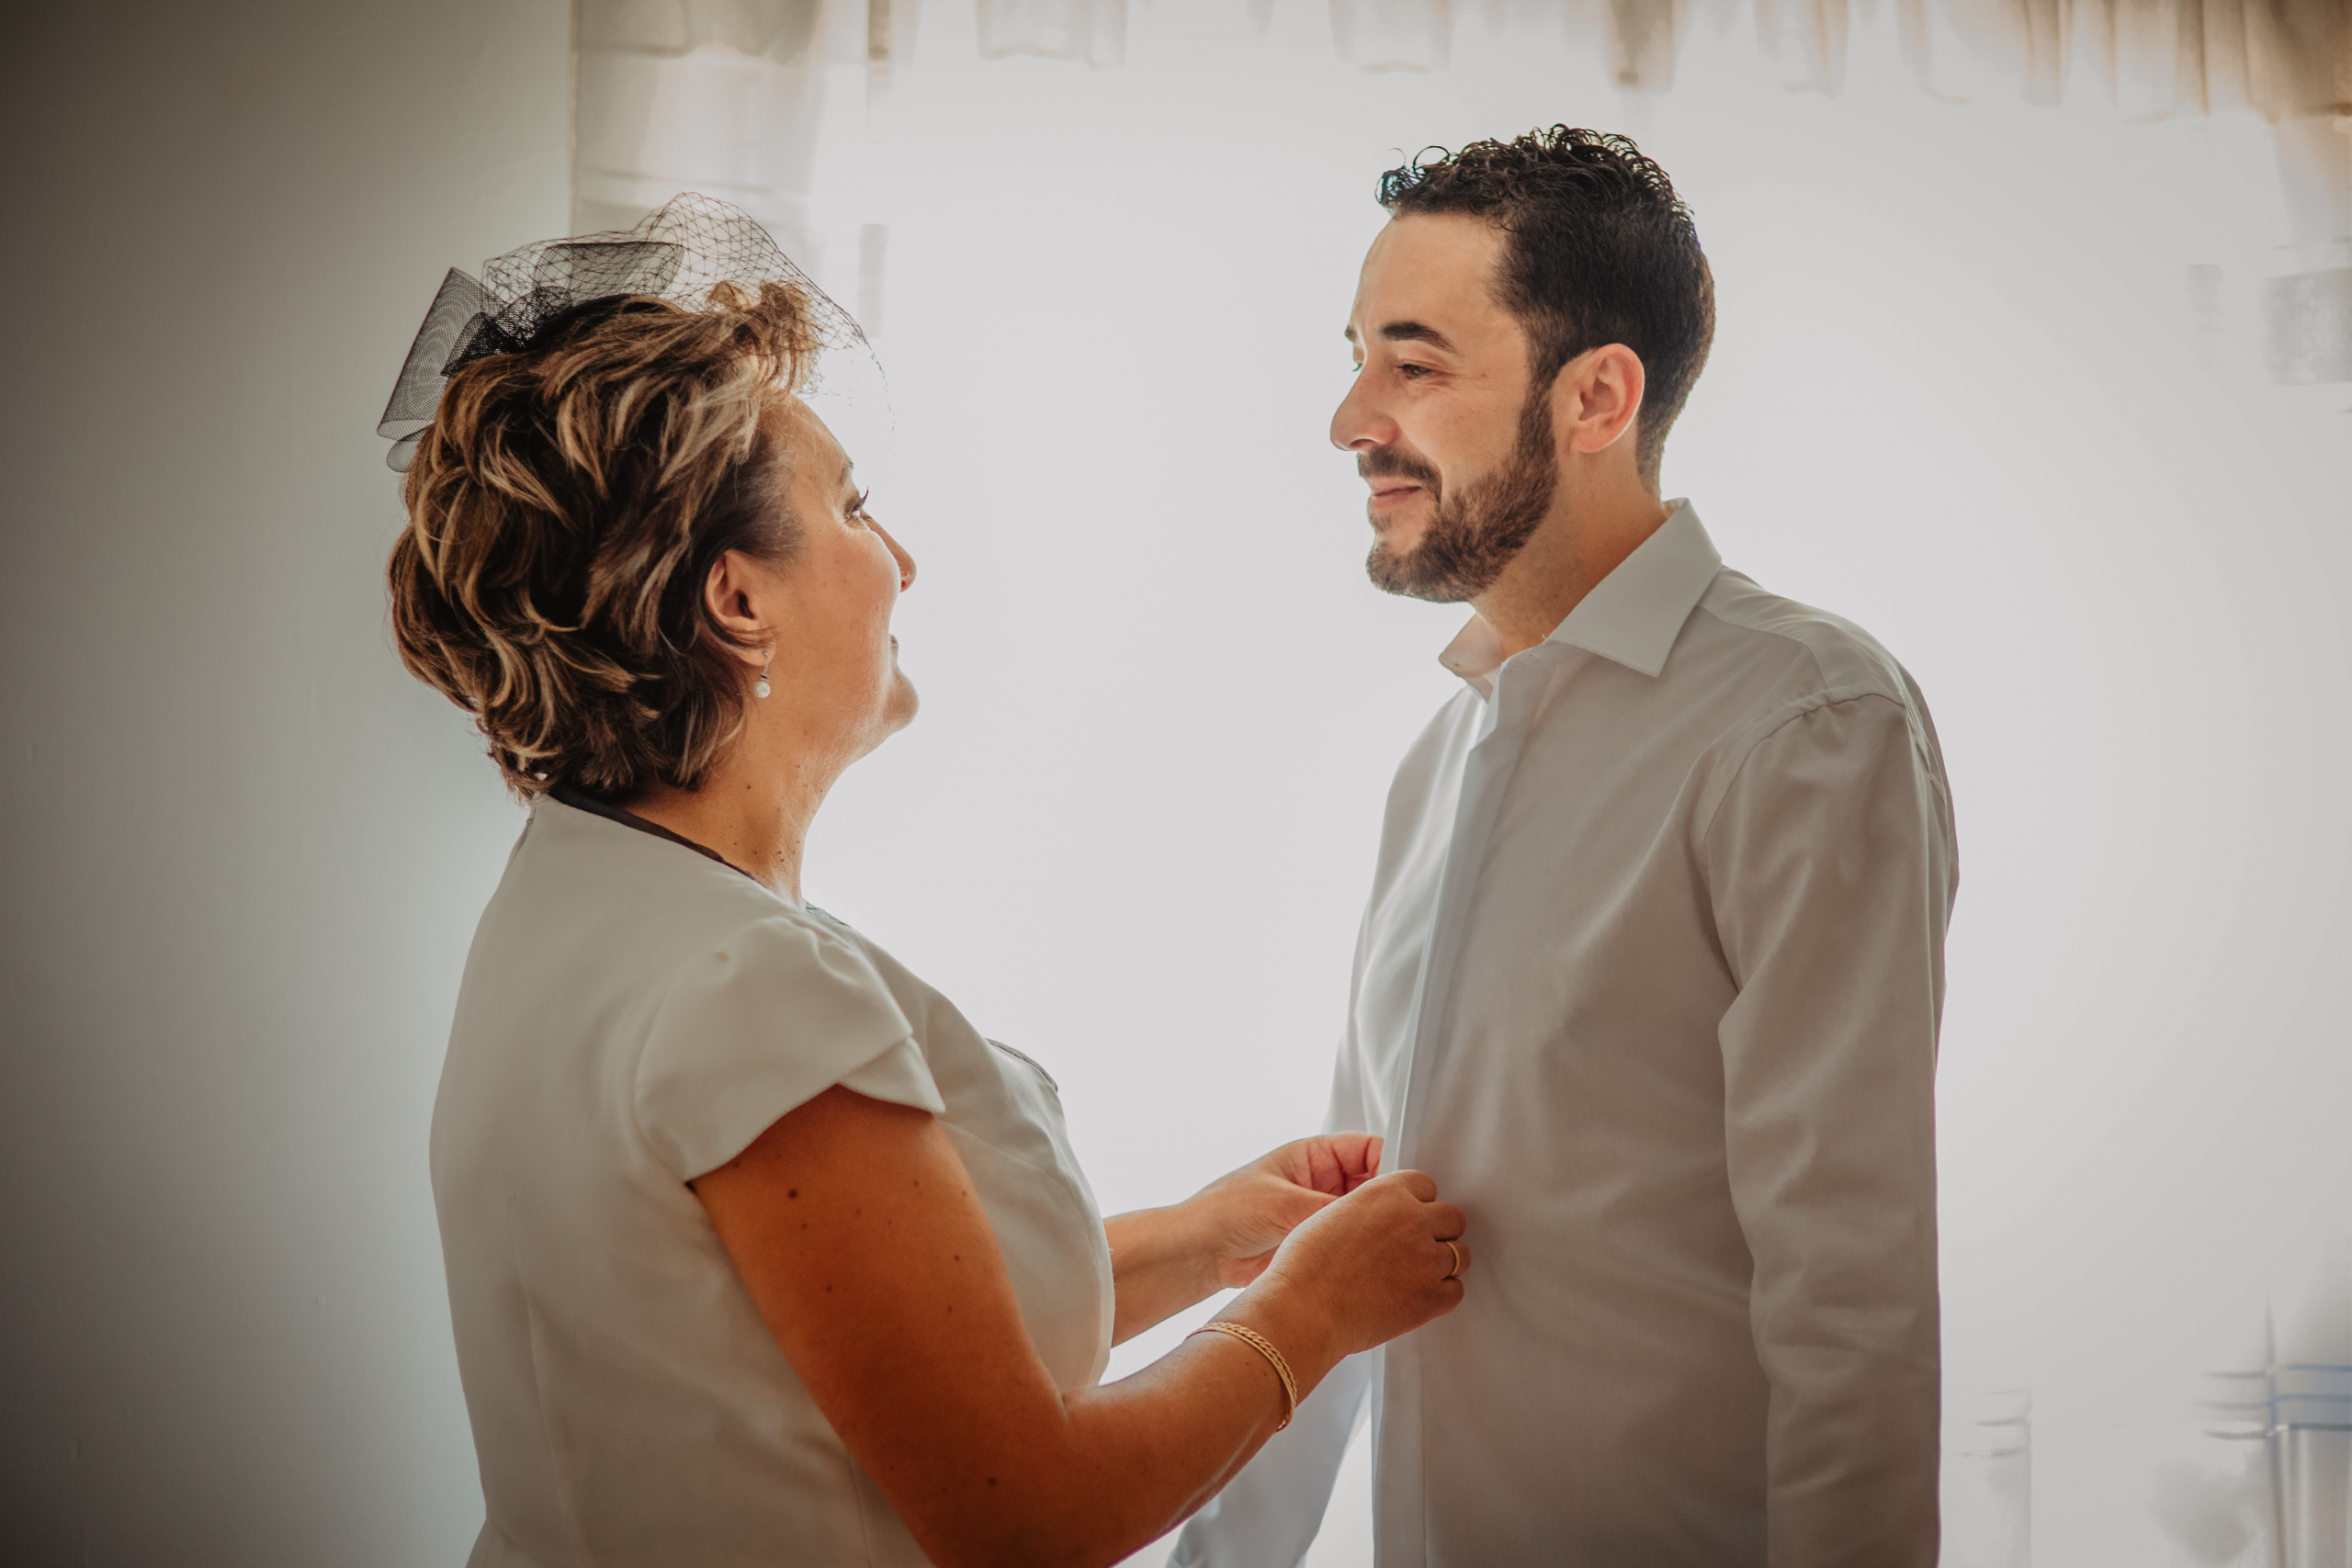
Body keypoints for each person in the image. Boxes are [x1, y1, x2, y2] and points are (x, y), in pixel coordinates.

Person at [382, 196, 1471, 1568]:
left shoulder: (577, 899)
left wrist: (1209, 1242)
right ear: (738, 602)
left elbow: (833, 1340)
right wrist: (1310, 1315)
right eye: (852, 508)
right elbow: (1026, 1515)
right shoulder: (746, 987)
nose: (901, 561)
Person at [1175, 128, 1956, 1567]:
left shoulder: (1807, 724)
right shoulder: (1438, 765)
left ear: (1597, 396)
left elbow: (1850, 1307)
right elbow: (1336, 1264)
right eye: (1356, 358)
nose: (1349, 419)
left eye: (1414, 365)